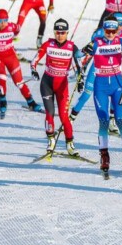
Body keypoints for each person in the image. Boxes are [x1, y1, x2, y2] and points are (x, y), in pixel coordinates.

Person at [81, 16, 122, 174]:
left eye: (114, 31)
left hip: (117, 84)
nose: (111, 34)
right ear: (104, 30)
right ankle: (104, 156)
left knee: (120, 120)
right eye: (108, 31)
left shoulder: (120, 41)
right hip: (101, 85)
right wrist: (85, 49)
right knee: (104, 122)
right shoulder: (97, 42)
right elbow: (79, 56)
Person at [31, 19, 83, 154]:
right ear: (54, 32)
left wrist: (80, 80)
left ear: (67, 33)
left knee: (64, 116)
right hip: (47, 83)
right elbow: (35, 59)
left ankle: (70, 143)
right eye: (57, 32)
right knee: (49, 114)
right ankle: (51, 140)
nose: (60, 35)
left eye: (63, 32)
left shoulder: (72, 47)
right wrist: (33, 70)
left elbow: (79, 66)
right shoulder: (48, 44)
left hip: (62, 86)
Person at [0, 9, 42, 116]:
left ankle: (30, 102)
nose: (3, 23)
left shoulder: (12, 27)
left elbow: (17, 30)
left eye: (5, 20)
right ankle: (3, 102)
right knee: (2, 76)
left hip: (10, 56)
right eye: (0, 21)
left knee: (19, 82)